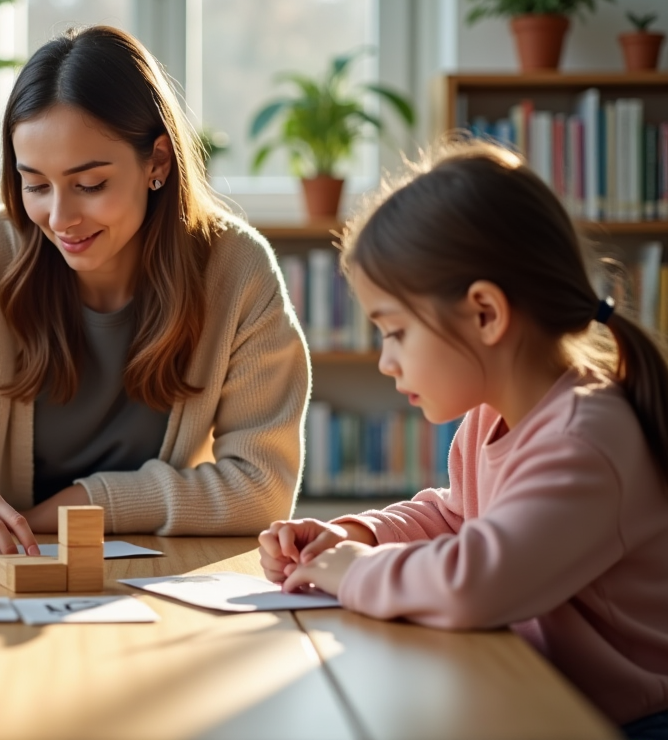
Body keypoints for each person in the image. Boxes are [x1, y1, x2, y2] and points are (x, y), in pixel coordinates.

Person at [0, 25, 310, 566]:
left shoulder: (237, 268)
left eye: (89, 184)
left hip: (150, 575)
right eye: (35, 184)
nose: (60, 219)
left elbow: (261, 486)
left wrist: (78, 507)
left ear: (157, 161)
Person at [259, 139, 668, 738]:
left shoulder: (587, 440)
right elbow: (460, 518)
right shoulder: (490, 417)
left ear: (485, 314)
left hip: (624, 723)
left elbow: (477, 580)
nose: (386, 363)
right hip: (537, 692)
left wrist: (353, 571)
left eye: (395, 332)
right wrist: (356, 533)